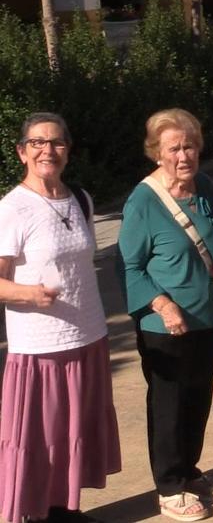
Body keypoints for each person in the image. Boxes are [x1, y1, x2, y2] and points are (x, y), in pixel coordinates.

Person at [0, 113, 120, 523]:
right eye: (36, 143)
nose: (47, 150)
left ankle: (62, 509)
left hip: (88, 335)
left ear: (68, 151)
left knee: (74, 433)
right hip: (40, 346)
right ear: (21, 152)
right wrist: (27, 293)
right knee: (41, 436)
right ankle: (30, 513)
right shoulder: (12, 208)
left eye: (56, 143)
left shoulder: (80, 199)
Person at [119, 108, 213, 521]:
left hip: (207, 318)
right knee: (168, 403)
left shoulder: (203, 185)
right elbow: (128, 266)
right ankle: (169, 487)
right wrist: (163, 304)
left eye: (190, 146)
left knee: (199, 397)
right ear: (156, 153)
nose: (184, 155)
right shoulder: (143, 201)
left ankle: (189, 470)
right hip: (164, 324)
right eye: (174, 148)